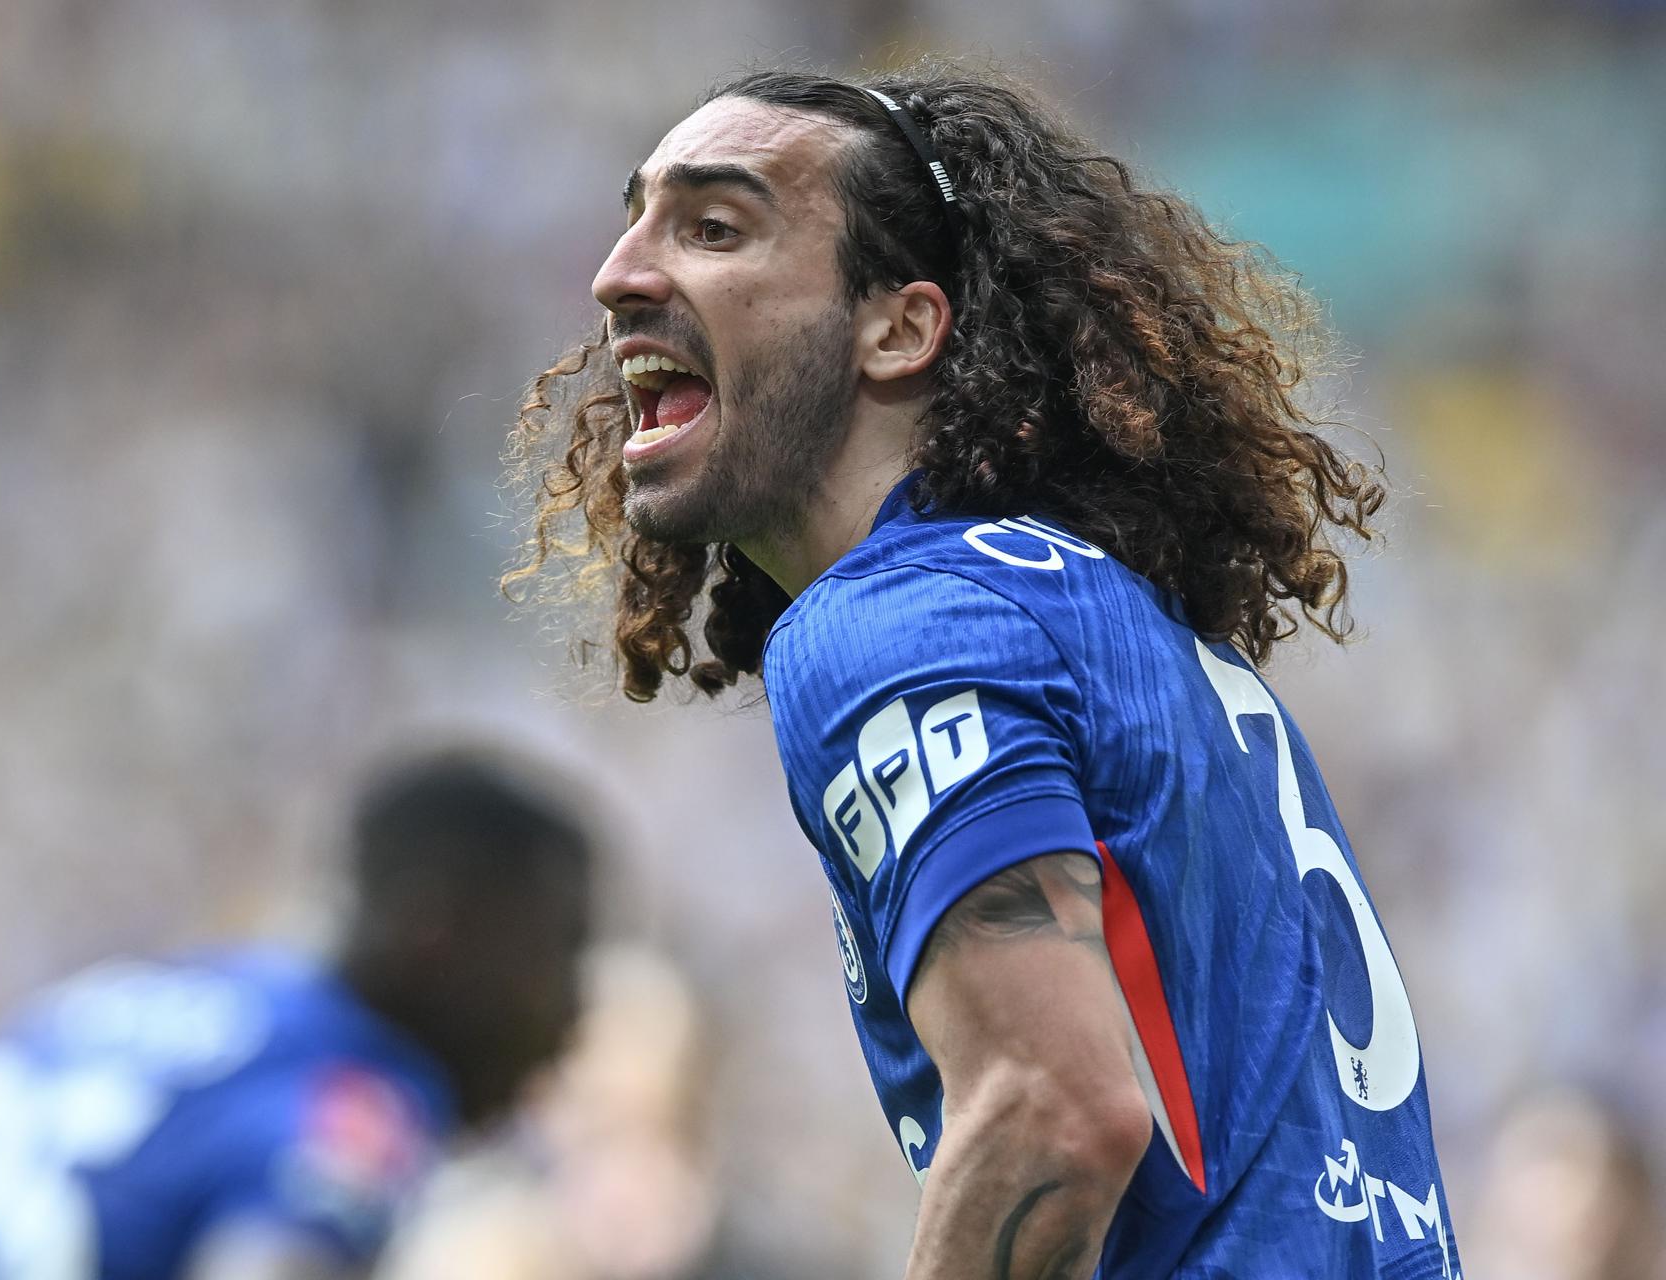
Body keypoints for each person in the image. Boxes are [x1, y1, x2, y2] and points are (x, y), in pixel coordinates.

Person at [506, 61, 1461, 1279]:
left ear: (898, 327)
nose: (619, 274)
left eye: (714, 227)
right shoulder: (1101, 608)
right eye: (634, 217)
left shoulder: (897, 623)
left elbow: (1054, 1117)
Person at [0, 751, 595, 1280]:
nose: (575, 1012)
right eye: (561, 951)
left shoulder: (101, 1011)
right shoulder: (356, 1103)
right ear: (437, 930)